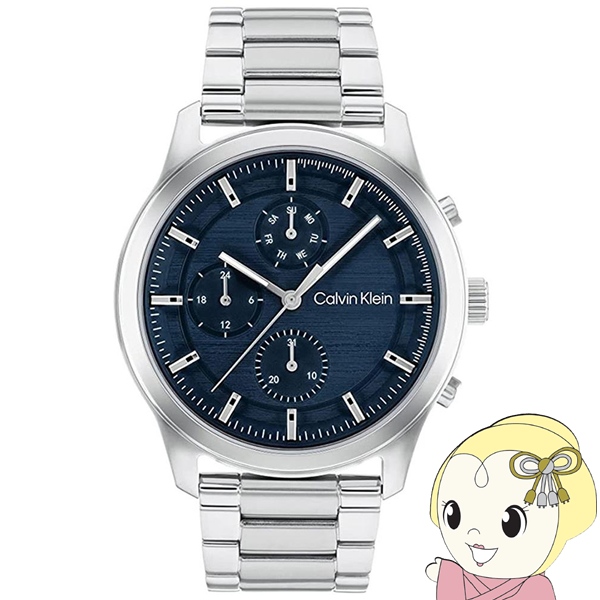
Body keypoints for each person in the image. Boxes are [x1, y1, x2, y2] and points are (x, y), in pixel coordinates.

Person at [427, 415, 596, 599]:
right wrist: (447, 574)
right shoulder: (454, 577)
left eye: (511, 524)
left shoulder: (536, 590)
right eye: (453, 516)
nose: (475, 532)